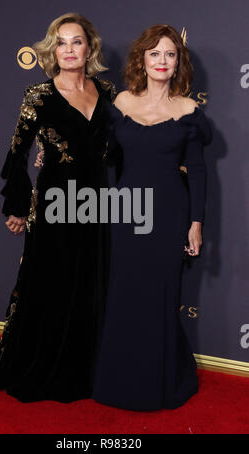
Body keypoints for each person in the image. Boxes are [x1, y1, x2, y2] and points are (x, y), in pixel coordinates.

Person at [0, 13, 116, 403]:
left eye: (76, 41)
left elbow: (120, 146)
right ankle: (43, 361)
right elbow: (17, 154)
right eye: (60, 42)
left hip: (97, 203)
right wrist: (16, 207)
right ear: (52, 50)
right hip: (54, 203)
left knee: (91, 282)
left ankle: (88, 363)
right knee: (51, 281)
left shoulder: (109, 91)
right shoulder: (38, 95)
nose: (68, 50)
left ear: (90, 47)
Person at [92, 24, 212, 410]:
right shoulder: (121, 103)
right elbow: (104, 159)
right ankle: (119, 380)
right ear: (142, 60)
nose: (162, 61)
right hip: (126, 214)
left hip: (170, 215)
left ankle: (161, 382)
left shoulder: (189, 111)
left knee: (161, 297)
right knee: (125, 295)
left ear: (179, 63)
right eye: (155, 53)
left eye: (170, 54)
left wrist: (196, 223)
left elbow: (197, 171)